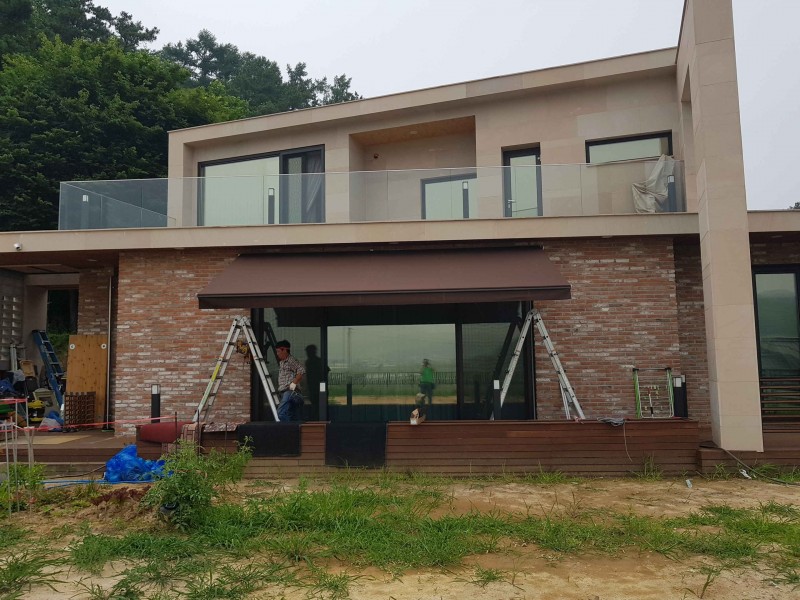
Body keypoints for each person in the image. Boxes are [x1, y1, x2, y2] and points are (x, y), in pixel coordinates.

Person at [275, 340, 305, 422]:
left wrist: (293, 384)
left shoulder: (291, 360)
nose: (277, 354)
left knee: (281, 413)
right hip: (284, 392)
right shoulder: (282, 362)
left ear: (284, 350)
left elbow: (301, 370)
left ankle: (288, 427)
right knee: (290, 415)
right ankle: (291, 428)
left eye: (278, 351)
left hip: (289, 392)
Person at [304, 344, 327, 421]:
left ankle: (317, 419)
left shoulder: (310, 362)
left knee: (316, 405)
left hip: (315, 387)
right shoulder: (318, 361)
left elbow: (309, 376)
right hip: (317, 387)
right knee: (318, 405)